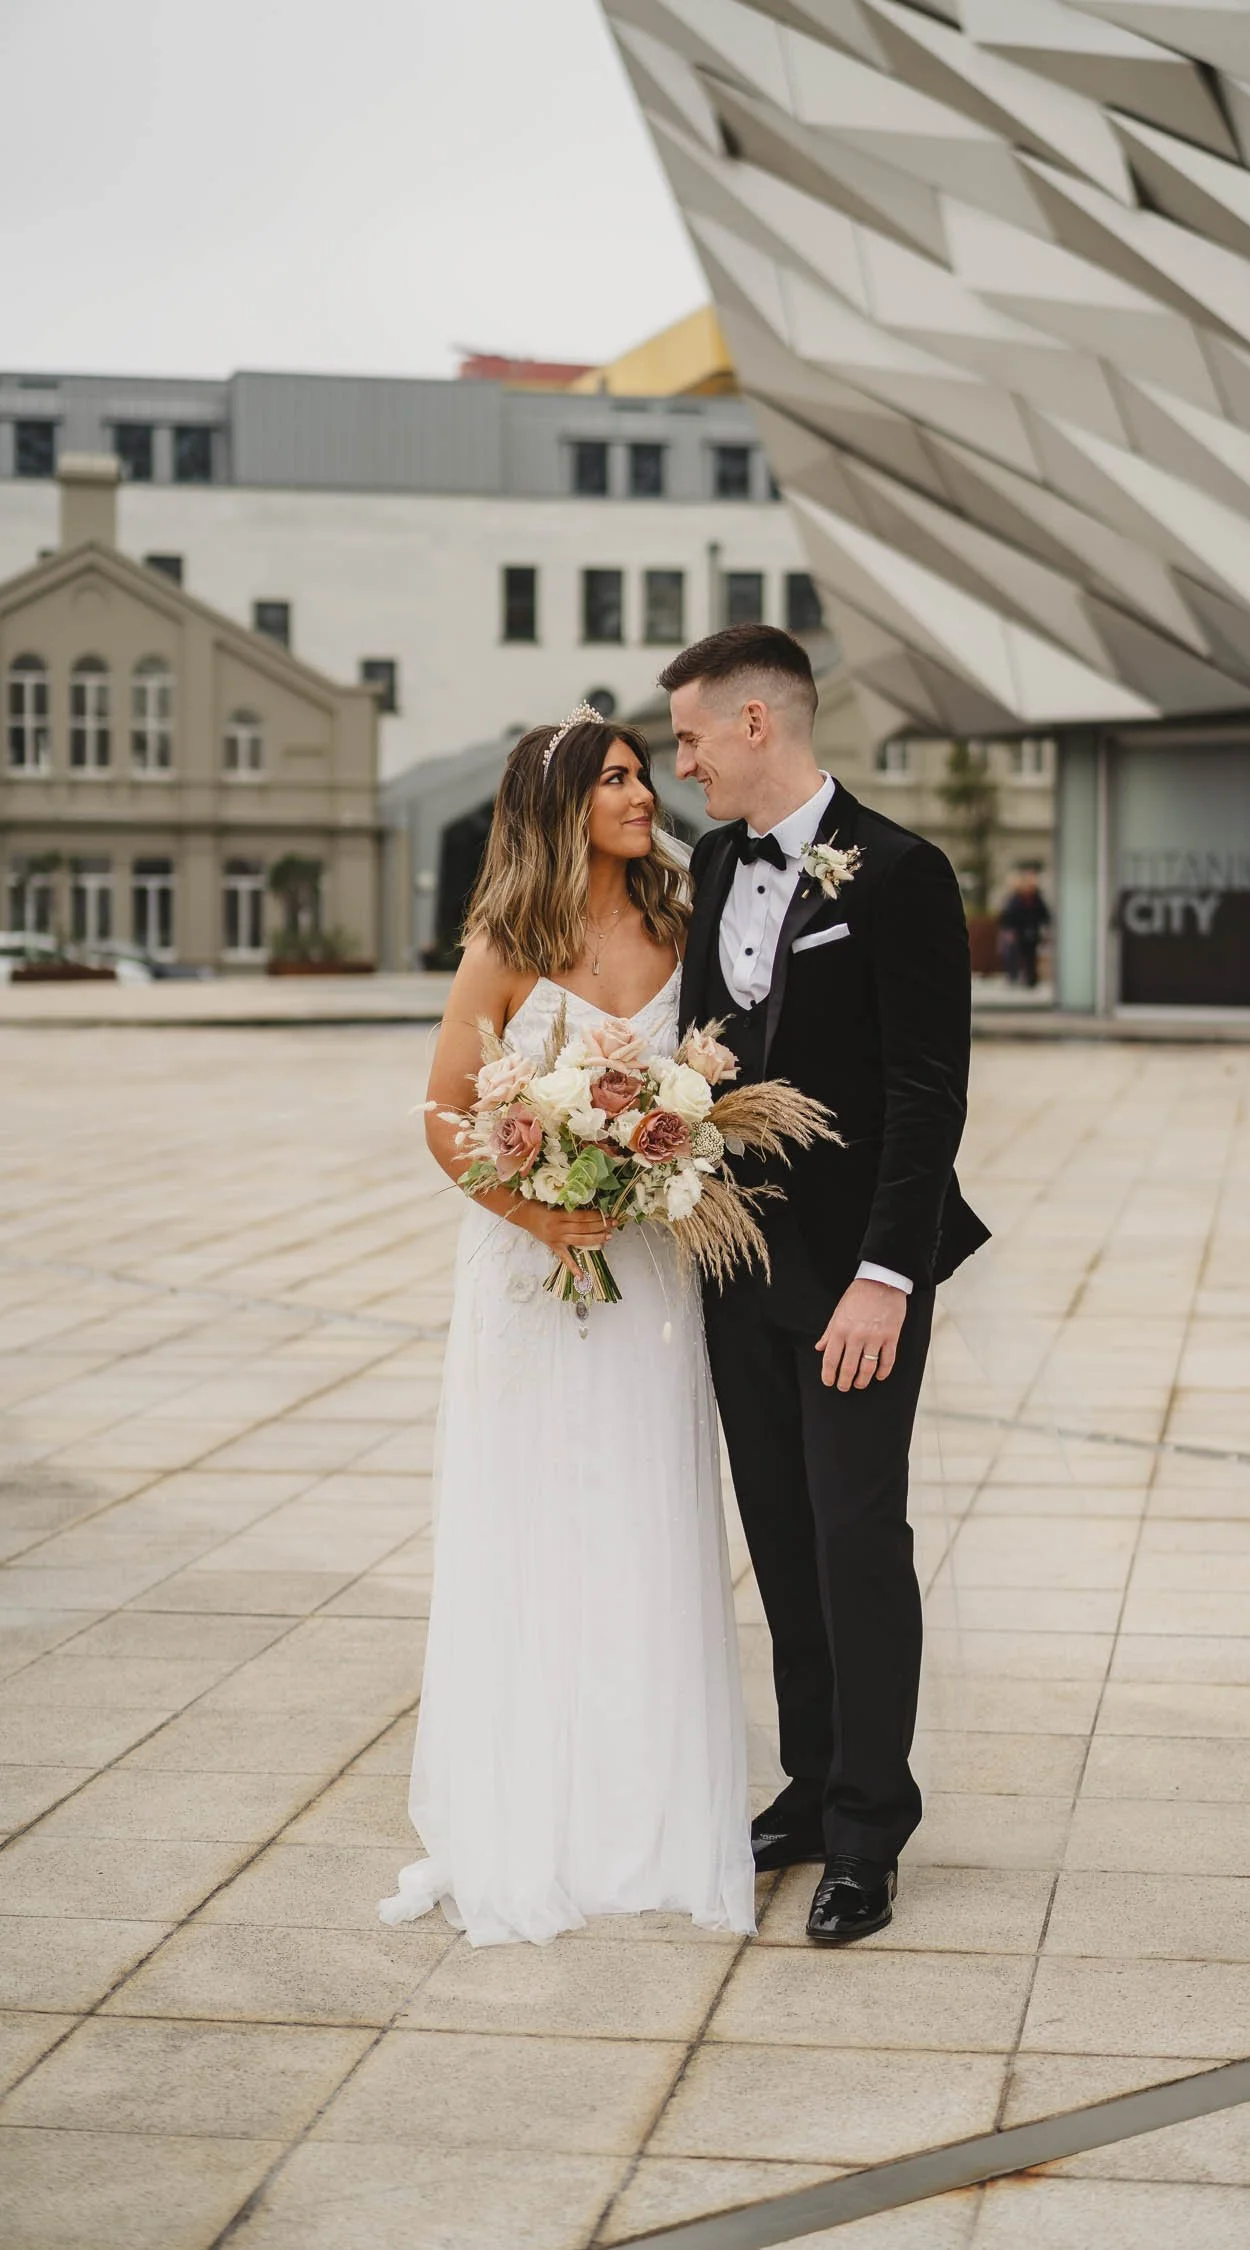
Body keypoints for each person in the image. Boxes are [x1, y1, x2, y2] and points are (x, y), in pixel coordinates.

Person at [379, 712, 755, 1945]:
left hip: (649, 1277)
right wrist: (536, 1211)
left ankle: (648, 1813)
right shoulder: (506, 942)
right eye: (617, 779)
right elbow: (442, 1115)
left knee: (646, 1517)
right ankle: (535, 1812)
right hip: (533, 1278)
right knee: (536, 1524)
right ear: (559, 804)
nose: (646, 792)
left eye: (646, 773)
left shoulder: (682, 919)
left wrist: (670, 1149)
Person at [664, 624, 989, 1945]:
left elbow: (928, 1092)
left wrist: (884, 1280)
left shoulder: (902, 872)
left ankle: (870, 1825)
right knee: (783, 1536)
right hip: (737, 1269)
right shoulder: (707, 860)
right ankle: (810, 1780)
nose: (678, 760)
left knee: (859, 1538)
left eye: (689, 736)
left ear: (757, 724)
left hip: (859, 1279)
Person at [999, 866, 1051, 989]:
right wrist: (1009, 931)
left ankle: (1031, 979)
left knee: (1031, 955)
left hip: (1032, 931)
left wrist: (1044, 929)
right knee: (1016, 954)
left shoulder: (1037, 899)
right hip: (1018, 932)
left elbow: (1044, 915)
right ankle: (1015, 977)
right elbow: (1007, 917)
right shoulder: (1015, 900)